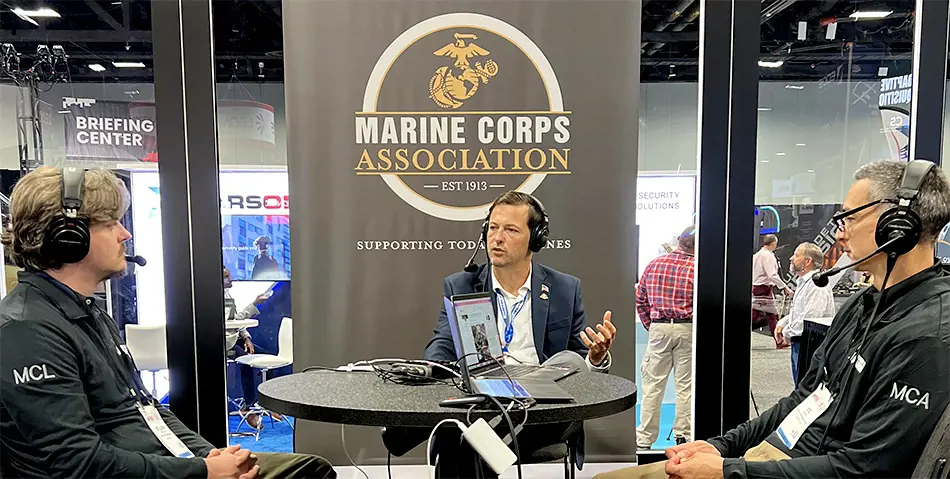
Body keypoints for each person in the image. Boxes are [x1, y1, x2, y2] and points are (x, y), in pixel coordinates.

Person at [593, 159, 950, 479]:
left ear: (898, 226)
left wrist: (726, 470)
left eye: (850, 217)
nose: (840, 231)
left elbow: (863, 469)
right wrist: (720, 447)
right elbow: (803, 398)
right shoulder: (864, 304)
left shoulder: (926, 337)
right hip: (773, 458)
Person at [0, 167, 335, 479]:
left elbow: (148, 409)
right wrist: (204, 472)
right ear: (67, 236)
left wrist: (210, 455)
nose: (125, 233)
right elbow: (78, 463)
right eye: (109, 223)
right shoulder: (27, 329)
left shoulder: (87, 311)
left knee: (308, 468)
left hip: (163, 461)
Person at [385, 190, 617, 475]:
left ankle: (464, 434)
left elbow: (579, 368)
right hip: (485, 399)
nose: (497, 238)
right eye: (493, 228)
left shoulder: (564, 290)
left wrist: (595, 358)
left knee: (568, 360)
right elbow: (442, 345)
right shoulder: (463, 286)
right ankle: (477, 433)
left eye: (510, 230)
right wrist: (434, 371)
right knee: (467, 436)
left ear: (536, 239)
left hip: (543, 411)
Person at [635, 226, 695, 449]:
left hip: (660, 328)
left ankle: (644, 438)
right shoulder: (697, 269)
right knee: (685, 386)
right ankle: (683, 436)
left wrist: (652, 326)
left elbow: (640, 299)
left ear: (680, 241)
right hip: (688, 329)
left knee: (652, 386)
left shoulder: (655, 264)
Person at [773, 242, 837, 387]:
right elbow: (798, 312)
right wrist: (782, 324)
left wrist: (786, 334)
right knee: (799, 385)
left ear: (808, 261)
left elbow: (809, 321)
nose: (791, 258)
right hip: (799, 342)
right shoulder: (803, 282)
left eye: (796, 255)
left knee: (805, 387)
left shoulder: (817, 284)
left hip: (809, 346)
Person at [222, 266, 277, 430]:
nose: (230, 279)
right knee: (246, 363)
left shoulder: (227, 295)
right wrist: (254, 304)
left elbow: (237, 321)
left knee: (268, 358)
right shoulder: (212, 297)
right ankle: (248, 407)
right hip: (224, 342)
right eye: (226, 276)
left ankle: (270, 403)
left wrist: (246, 338)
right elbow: (233, 321)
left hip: (236, 338)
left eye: (229, 275)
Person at [751, 234, 793, 346]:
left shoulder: (756, 255)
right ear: (774, 243)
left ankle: (779, 340)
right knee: (771, 315)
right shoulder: (768, 256)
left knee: (757, 316)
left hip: (756, 287)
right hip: (763, 288)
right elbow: (772, 275)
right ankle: (779, 341)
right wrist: (784, 287)